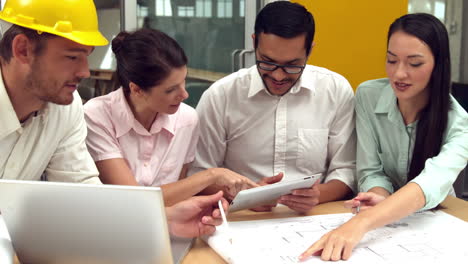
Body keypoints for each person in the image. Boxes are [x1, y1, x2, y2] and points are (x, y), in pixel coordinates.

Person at [0, 0, 226, 238]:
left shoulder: (66, 108)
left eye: (87, 57)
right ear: (23, 50)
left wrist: (164, 220)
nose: (85, 72)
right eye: (72, 57)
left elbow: (83, 198)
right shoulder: (84, 110)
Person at [300, 13, 468, 261]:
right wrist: (381, 197)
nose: (399, 74)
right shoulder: (368, 95)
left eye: (415, 64)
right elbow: (370, 170)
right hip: (386, 222)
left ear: (438, 65)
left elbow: (431, 183)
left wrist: (361, 223)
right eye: (391, 60)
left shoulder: (460, 124)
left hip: (436, 221)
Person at [189, 1, 356, 212]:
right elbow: (199, 175)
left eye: (291, 65)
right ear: (254, 43)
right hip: (240, 216)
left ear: (310, 51)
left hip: (311, 217)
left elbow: (346, 169)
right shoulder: (221, 96)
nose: (278, 75)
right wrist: (243, 195)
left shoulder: (334, 89)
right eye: (267, 62)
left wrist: (318, 195)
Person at [84, 28, 257, 206]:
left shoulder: (187, 118)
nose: (184, 95)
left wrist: (250, 193)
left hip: (173, 226)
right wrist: (212, 174)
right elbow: (134, 201)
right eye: (170, 89)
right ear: (136, 89)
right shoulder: (97, 116)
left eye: (184, 81)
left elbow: (180, 194)